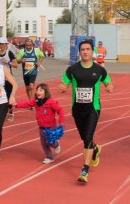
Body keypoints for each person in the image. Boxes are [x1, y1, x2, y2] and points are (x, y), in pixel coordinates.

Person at [59, 39, 114, 183]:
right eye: (82, 49)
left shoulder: (99, 70)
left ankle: (85, 170)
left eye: (88, 49)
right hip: (77, 109)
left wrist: (109, 86)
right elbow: (64, 83)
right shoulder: (72, 69)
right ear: (79, 51)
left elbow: (108, 81)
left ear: (92, 51)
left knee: (87, 138)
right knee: (85, 138)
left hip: (93, 109)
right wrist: (63, 88)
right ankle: (95, 149)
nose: (85, 51)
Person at [16, 83, 65, 164]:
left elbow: (60, 110)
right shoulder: (36, 101)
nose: (38, 91)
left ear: (45, 92)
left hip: (50, 127)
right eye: (37, 90)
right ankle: (49, 157)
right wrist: (16, 105)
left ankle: (56, 144)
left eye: (41, 90)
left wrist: (61, 122)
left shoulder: (51, 102)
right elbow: (27, 104)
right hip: (41, 126)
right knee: (43, 143)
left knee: (50, 142)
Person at [0, 37, 18, 121]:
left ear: (6, 44)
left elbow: (16, 65)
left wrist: (8, 62)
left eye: (3, 44)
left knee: (8, 96)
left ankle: (10, 111)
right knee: (0, 95)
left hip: (8, 78)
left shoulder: (10, 53)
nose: (1, 45)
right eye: (0, 44)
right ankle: (1, 112)